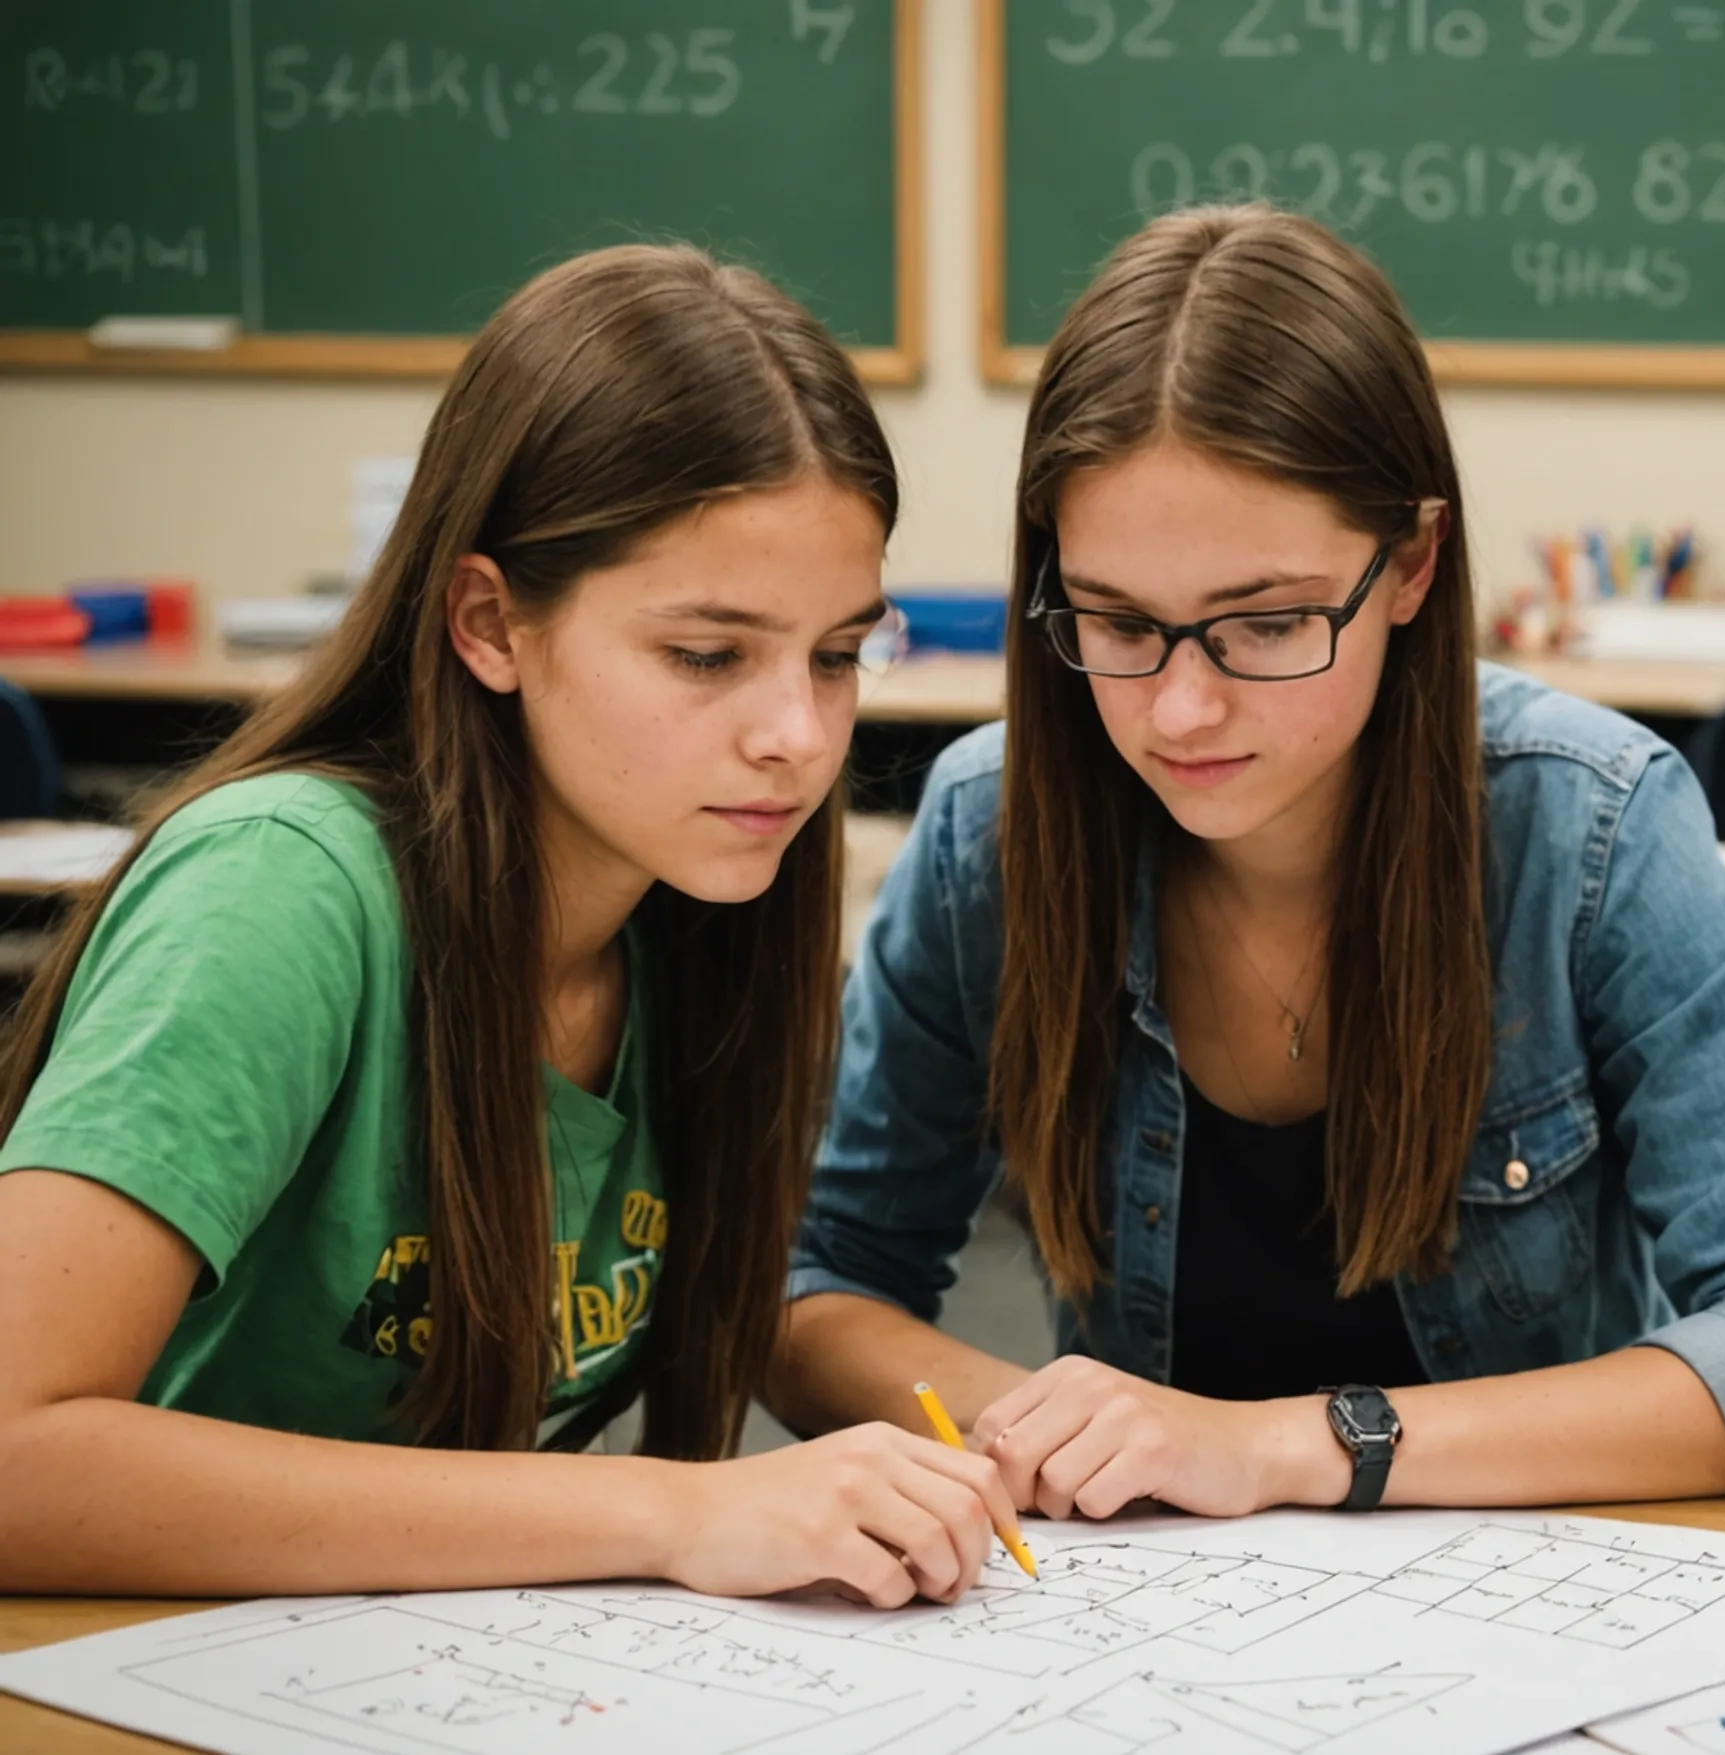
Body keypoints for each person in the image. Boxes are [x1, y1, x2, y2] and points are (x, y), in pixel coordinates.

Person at [773, 205, 1725, 1518]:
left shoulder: (1589, 829)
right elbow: (821, 1284)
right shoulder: (994, 833)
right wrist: (1061, 1430)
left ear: (1414, 563)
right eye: (1117, 621)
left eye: (1266, 624)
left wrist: (1274, 1447)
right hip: (1141, 1633)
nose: (1181, 708)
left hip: (1543, 1598)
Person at [0, 244, 1020, 1608]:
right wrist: (669, 1508)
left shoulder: (705, 915)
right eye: (707, 654)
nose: (797, 735)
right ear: (490, 622)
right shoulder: (279, 893)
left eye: (838, 654)